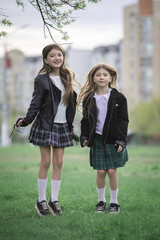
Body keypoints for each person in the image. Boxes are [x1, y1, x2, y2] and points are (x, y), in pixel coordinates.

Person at [16, 44, 78, 217]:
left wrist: (70, 126)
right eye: (52, 56)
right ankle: (41, 200)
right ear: (46, 60)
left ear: (63, 57)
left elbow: (70, 105)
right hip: (45, 125)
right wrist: (26, 120)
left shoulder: (67, 77)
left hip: (62, 126)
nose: (57, 58)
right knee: (46, 162)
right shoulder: (41, 79)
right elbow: (35, 103)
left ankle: (54, 200)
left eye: (60, 55)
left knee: (59, 163)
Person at [78, 63, 129, 214]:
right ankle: (101, 202)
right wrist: (84, 136)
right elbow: (85, 121)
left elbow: (123, 121)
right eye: (98, 75)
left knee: (112, 171)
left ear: (111, 77)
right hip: (98, 140)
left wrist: (120, 140)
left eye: (105, 75)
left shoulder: (119, 98)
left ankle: (114, 202)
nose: (101, 77)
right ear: (93, 78)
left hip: (113, 140)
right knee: (100, 172)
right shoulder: (88, 98)